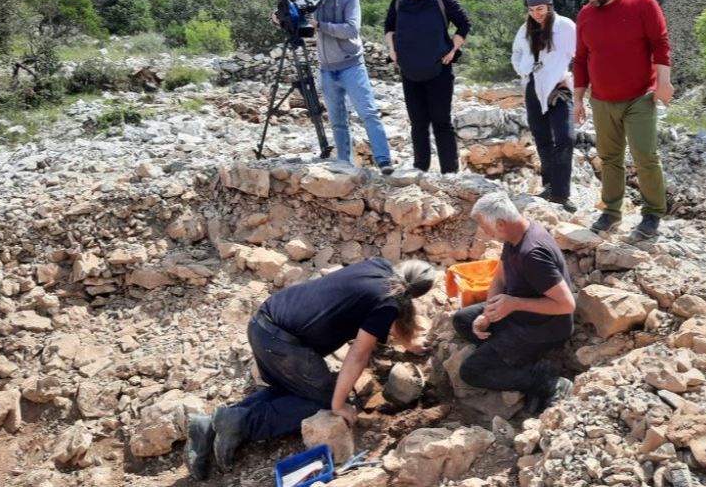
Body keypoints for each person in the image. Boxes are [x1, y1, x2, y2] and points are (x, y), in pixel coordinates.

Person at [184, 258, 435, 480]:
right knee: (322, 402)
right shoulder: (388, 302)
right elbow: (358, 355)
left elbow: (395, 313)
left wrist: (410, 342)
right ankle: (242, 423)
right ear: (415, 295)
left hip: (264, 324)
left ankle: (208, 425)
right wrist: (337, 405)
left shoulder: (378, 266)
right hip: (283, 345)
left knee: (294, 388)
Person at [571, 0, 672, 240]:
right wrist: (578, 99)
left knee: (644, 154)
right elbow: (581, 59)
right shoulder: (586, 14)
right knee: (609, 157)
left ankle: (652, 213)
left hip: (639, 96)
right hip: (601, 100)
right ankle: (611, 211)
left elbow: (660, 44)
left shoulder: (642, 3)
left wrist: (663, 83)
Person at [452, 192, 575, 413]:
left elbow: (566, 304)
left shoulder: (532, 254)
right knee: (462, 320)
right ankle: (508, 354)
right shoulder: (514, 236)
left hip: (543, 327)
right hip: (518, 313)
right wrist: (487, 315)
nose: (485, 233)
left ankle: (547, 381)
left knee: (471, 371)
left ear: (500, 224)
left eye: (486, 227)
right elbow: (500, 277)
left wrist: (514, 303)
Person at [384, 0, 471, 174]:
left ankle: (450, 174)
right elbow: (389, 26)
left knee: (441, 123)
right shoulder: (399, 0)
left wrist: (453, 49)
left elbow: (464, 23)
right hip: (410, 72)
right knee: (418, 125)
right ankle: (420, 170)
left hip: (438, 72)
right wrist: (392, 49)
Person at [311, 0, 395, 173]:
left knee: (368, 113)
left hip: (351, 65)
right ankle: (344, 162)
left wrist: (320, 25)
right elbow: (305, 25)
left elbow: (351, 28)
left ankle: (384, 161)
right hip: (327, 68)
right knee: (338, 120)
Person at [511, 0, 577, 214]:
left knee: (566, 138)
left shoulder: (566, 26)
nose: (536, 14)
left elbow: (582, 55)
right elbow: (516, 53)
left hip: (559, 89)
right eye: (531, 10)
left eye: (540, 8)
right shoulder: (524, 30)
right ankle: (549, 188)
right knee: (542, 139)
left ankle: (562, 194)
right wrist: (523, 70)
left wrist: (575, 85)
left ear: (549, 5)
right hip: (533, 88)